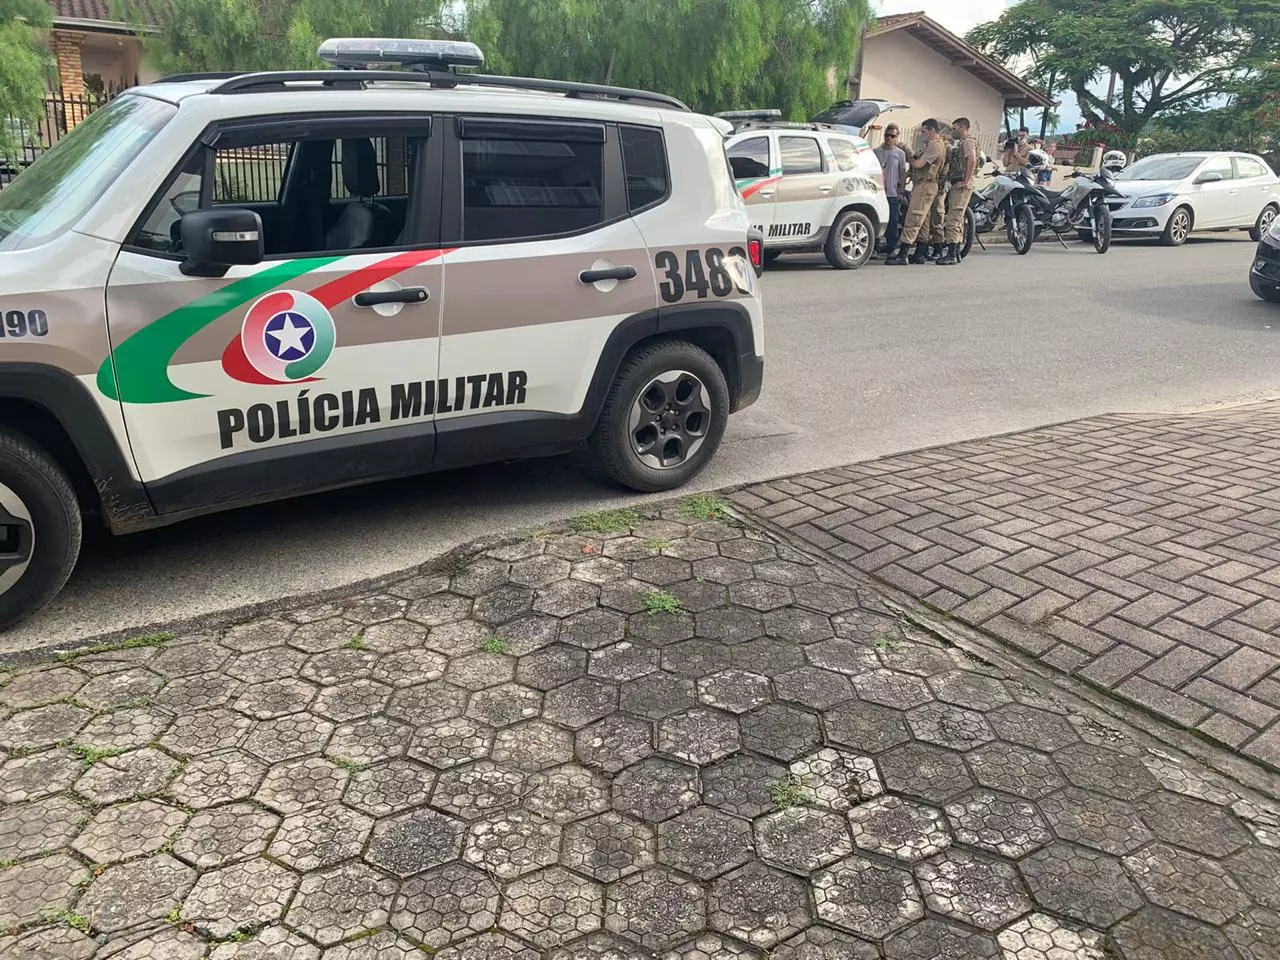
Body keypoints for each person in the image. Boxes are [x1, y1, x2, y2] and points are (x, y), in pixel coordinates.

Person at [886, 119, 947, 265]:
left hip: (925, 186)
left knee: (913, 218)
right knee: (923, 222)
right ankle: (919, 253)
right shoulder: (937, 145)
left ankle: (903, 254)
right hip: (926, 185)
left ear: (932, 131)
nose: (921, 134)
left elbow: (918, 164)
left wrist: (908, 154)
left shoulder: (934, 146)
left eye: (924, 131)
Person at [936, 117, 978, 266]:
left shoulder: (967, 142)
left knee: (953, 218)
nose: (952, 131)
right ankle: (956, 253)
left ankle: (952, 254)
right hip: (957, 182)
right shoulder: (963, 142)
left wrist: (966, 181)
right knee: (958, 218)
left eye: (954, 128)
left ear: (962, 128)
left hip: (961, 184)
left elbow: (971, 159)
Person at [873, 124, 907, 257]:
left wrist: (901, 191)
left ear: (897, 137)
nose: (889, 138)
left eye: (892, 136)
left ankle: (891, 247)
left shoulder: (900, 154)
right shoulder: (876, 152)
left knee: (892, 221)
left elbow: (902, 173)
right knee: (876, 219)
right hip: (878, 192)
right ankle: (874, 247)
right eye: (887, 135)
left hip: (892, 192)